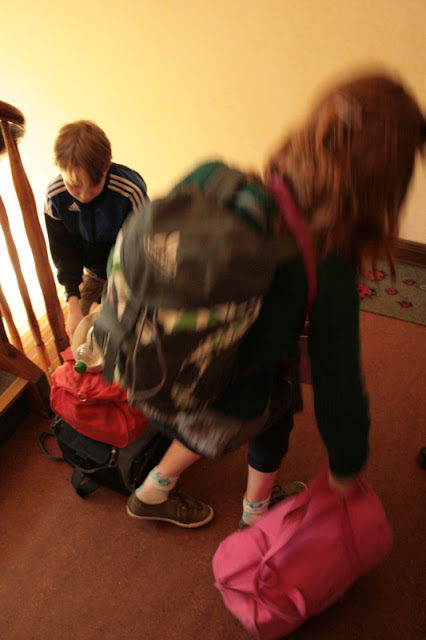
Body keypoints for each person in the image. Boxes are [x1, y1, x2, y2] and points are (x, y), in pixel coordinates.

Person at [123, 70, 425, 529]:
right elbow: (339, 388)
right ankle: (256, 514)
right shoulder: (329, 266)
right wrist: (346, 469)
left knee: (260, 401)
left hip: (146, 372)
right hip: (219, 407)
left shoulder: (212, 178)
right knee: (278, 404)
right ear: (382, 187)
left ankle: (154, 489)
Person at [44, 120, 148, 340]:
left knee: (131, 328)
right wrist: (73, 303)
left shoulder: (130, 191)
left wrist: (105, 302)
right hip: (93, 275)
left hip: (130, 271)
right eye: (74, 186)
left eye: (93, 185)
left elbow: (140, 252)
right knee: (82, 335)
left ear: (106, 167)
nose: (83, 195)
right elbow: (64, 255)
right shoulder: (55, 197)